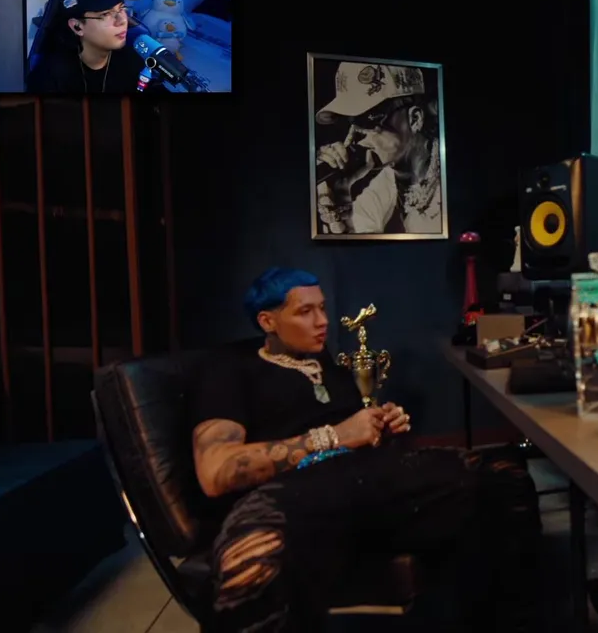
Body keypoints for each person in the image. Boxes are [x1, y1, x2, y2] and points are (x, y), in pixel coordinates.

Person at [188, 267, 542, 632]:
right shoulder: (229, 369)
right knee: (252, 557)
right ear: (268, 321)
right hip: (292, 493)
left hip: (370, 481)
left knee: (504, 474)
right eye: (305, 311)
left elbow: (356, 435)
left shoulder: (327, 367)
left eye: (322, 308)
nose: (323, 321)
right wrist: (334, 436)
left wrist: (381, 428)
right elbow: (216, 471)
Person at [314, 62, 443, 235]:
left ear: (415, 119)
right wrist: (341, 194)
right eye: (349, 123)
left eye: (366, 121)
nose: (351, 138)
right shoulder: (385, 184)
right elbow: (357, 243)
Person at [27, 0, 164, 94]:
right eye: (106, 14)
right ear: (77, 27)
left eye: (121, 8)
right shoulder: (50, 78)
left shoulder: (134, 60)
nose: (122, 20)